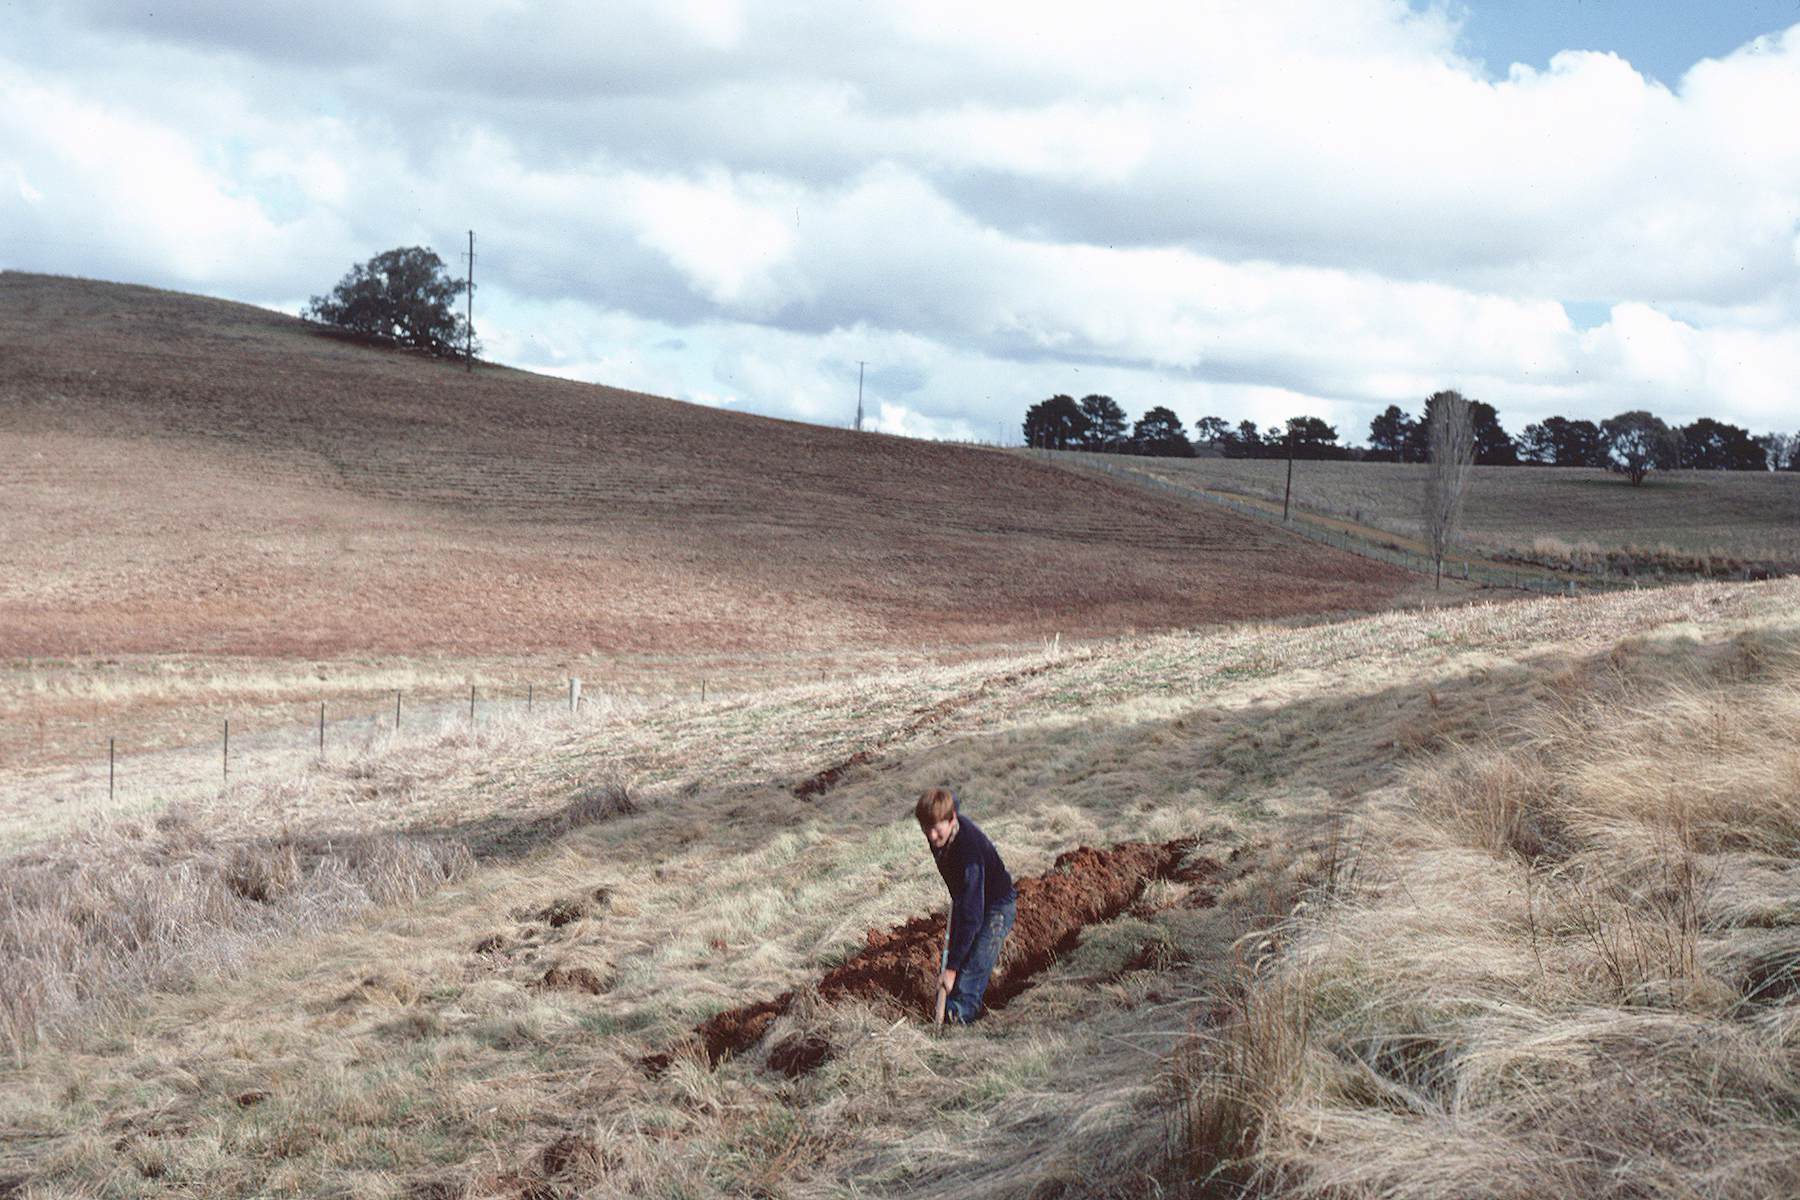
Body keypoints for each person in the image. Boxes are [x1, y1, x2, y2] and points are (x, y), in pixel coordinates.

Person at [915, 787, 1016, 1024]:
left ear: (952, 820)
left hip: (996, 908)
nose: (931, 837)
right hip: (968, 899)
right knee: (959, 966)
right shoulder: (941, 822)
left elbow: (973, 916)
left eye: (937, 831)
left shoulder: (968, 853)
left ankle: (958, 1022)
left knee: (968, 978)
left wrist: (950, 969)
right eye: (925, 830)